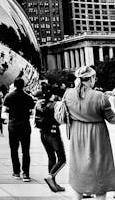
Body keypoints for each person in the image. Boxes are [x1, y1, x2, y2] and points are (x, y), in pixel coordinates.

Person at [63, 66, 115, 199]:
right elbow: (112, 119)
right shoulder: (100, 96)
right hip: (97, 136)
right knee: (100, 171)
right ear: (91, 78)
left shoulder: (68, 93)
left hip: (77, 136)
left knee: (78, 169)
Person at [34, 84, 65, 193]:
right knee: (62, 159)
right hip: (53, 133)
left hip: (43, 133)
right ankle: (51, 177)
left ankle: (53, 183)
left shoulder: (39, 103)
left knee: (51, 157)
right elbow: (61, 118)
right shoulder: (55, 104)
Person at [3, 78, 35, 182]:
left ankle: (16, 172)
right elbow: (31, 111)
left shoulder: (9, 96)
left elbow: (5, 111)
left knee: (14, 149)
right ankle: (26, 173)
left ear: (15, 85)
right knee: (26, 150)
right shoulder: (28, 97)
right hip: (25, 124)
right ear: (24, 85)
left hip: (13, 125)